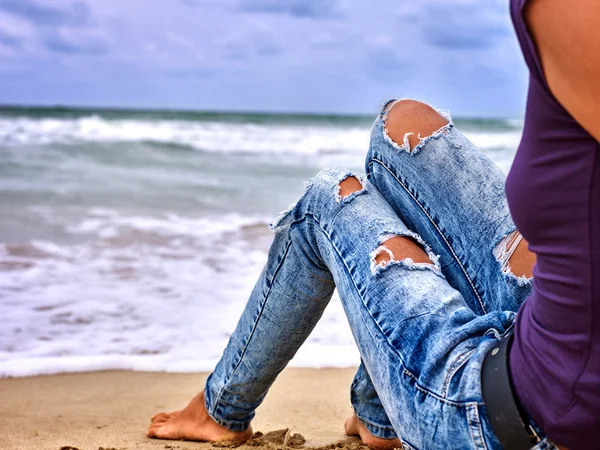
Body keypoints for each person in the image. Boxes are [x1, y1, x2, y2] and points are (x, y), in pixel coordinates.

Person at [147, 1, 599, 448]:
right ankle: (377, 411)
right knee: (404, 127)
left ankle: (221, 409)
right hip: (542, 328)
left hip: (514, 416)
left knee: (328, 197)